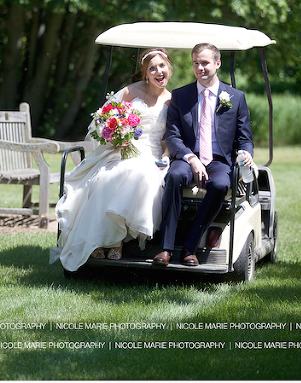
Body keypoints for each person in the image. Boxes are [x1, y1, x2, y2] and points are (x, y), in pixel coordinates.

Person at [50, 48, 173, 272]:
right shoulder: (130, 91)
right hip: (122, 149)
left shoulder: (172, 101)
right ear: (145, 73)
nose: (158, 71)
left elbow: (171, 138)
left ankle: (116, 238)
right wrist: (115, 135)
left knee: (140, 174)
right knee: (105, 178)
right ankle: (99, 240)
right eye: (152, 68)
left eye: (162, 66)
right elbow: (102, 120)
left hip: (151, 155)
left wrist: (166, 156)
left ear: (169, 68)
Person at [153, 42, 254, 267]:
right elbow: (172, 136)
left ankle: (190, 246)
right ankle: (165, 248)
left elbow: (245, 137)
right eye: (196, 63)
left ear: (217, 64)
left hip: (219, 161)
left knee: (220, 185)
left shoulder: (235, 97)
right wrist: (191, 158)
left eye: (205, 63)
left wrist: (245, 153)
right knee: (175, 176)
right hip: (188, 158)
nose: (200, 68)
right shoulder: (181, 95)